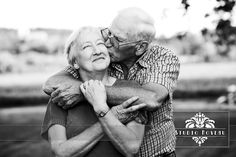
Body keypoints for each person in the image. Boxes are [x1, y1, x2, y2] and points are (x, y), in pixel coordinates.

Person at [43, 8, 180, 157]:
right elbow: (51, 82)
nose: (107, 42)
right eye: (108, 33)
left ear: (139, 47)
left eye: (118, 39)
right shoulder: (102, 55)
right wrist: (89, 91)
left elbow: (151, 98)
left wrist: (91, 93)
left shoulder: (162, 58)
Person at [41, 26, 149, 157]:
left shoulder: (130, 89)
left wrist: (101, 108)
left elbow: (131, 148)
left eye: (100, 44)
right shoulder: (63, 96)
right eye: (87, 47)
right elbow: (61, 152)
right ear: (75, 62)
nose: (97, 51)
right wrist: (111, 115)